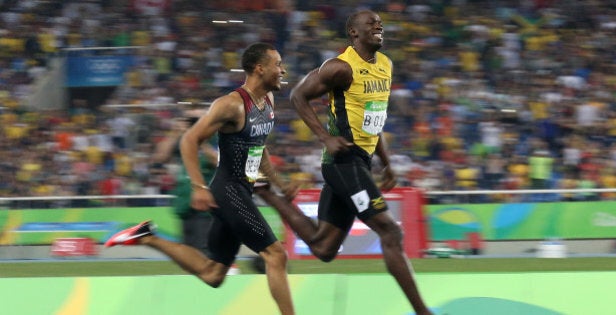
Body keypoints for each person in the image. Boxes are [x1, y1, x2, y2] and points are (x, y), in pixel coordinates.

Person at [256, 10, 433, 315]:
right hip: (343, 162)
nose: (379, 26)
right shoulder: (341, 67)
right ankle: (423, 312)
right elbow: (298, 96)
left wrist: (387, 164)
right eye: (371, 23)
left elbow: (374, 121)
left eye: (380, 23)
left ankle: (265, 191)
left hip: (359, 163)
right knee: (391, 233)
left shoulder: (386, 66)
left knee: (323, 248)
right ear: (354, 33)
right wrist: (325, 137)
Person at [105, 42, 295, 315]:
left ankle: (147, 237)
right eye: (278, 64)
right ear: (259, 68)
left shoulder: (268, 102)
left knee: (213, 273)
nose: (283, 70)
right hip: (228, 190)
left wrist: (279, 182)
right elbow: (189, 139)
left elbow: (259, 146)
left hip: (242, 190)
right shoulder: (231, 104)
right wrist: (198, 186)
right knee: (276, 255)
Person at [152, 109, 218, 256]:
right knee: (188, 251)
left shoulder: (214, 138)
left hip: (205, 205)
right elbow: (160, 157)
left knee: (204, 250)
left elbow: (217, 161)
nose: (192, 124)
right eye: (189, 121)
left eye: (195, 120)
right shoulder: (182, 140)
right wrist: (175, 132)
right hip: (184, 202)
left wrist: (198, 139)